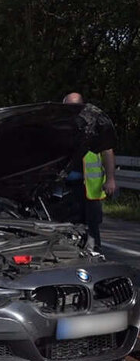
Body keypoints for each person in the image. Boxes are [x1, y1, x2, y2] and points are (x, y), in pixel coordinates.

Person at [62, 92, 117, 250]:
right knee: (66, 225)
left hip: (89, 188)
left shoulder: (94, 127)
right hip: (65, 187)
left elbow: (107, 152)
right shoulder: (62, 126)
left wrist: (111, 179)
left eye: (72, 107)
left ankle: (94, 253)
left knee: (91, 227)